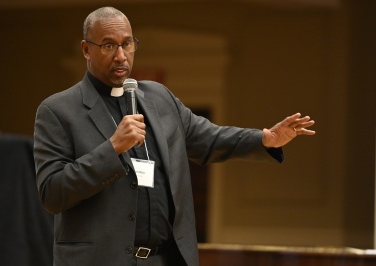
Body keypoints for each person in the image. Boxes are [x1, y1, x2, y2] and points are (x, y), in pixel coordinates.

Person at [33, 6, 315, 266]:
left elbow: (209, 138)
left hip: (164, 259)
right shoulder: (58, 111)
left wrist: (265, 138)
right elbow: (52, 193)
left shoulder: (159, 97)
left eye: (127, 44)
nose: (121, 56)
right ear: (86, 49)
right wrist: (112, 148)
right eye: (108, 45)